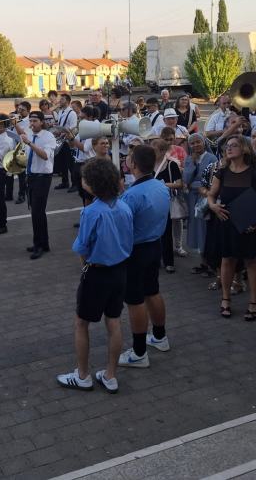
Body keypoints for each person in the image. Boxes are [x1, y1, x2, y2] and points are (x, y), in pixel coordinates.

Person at [56, 158, 134, 393]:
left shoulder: (91, 211)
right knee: (114, 322)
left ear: (92, 184)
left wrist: (85, 266)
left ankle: (82, 375)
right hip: (120, 271)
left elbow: (83, 247)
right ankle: (110, 375)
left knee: (82, 322)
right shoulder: (124, 206)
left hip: (97, 273)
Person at [206, 135, 256, 320]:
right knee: (227, 260)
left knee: (251, 261)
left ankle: (254, 300)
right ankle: (225, 299)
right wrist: (213, 206)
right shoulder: (222, 173)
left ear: (244, 149)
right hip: (227, 222)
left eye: (234, 145)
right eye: (228, 146)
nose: (229, 148)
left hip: (250, 225)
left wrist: (255, 220)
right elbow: (211, 196)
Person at [117, 144, 171, 369]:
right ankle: (160, 337)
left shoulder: (132, 195)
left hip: (136, 251)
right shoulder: (160, 186)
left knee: (135, 301)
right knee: (153, 291)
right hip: (153, 245)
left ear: (134, 165)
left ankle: (139, 352)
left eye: (129, 158)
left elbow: (122, 229)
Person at [20, 111, 57, 259]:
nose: (31, 123)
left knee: (37, 212)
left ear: (42, 122)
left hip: (43, 177)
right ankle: (43, 243)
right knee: (36, 212)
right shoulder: (29, 133)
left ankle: (39, 245)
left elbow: (45, 155)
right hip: (32, 176)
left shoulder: (48, 137)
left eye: (35, 121)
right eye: (30, 121)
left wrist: (29, 143)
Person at [184, 134, 216, 274]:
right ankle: (203, 262)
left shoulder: (212, 158)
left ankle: (211, 264)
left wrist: (194, 185)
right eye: (192, 143)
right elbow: (185, 179)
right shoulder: (188, 159)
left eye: (198, 142)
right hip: (192, 199)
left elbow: (211, 182)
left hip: (205, 199)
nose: (196, 145)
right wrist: (192, 163)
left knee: (206, 229)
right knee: (196, 229)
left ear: (203, 143)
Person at [151, 139, 184, 273]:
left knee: (166, 233)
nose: (152, 153)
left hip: (166, 202)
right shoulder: (148, 164)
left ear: (163, 151)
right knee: (153, 234)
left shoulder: (171, 165)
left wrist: (163, 185)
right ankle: (156, 259)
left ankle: (169, 261)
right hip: (152, 203)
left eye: (155, 150)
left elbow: (179, 183)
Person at [54, 93, 78, 191]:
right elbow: (61, 124)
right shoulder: (60, 111)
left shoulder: (72, 113)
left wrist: (63, 133)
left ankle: (75, 184)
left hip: (68, 140)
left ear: (67, 101)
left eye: (62, 99)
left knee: (70, 163)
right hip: (62, 140)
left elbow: (73, 127)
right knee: (62, 162)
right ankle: (65, 182)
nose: (60, 100)